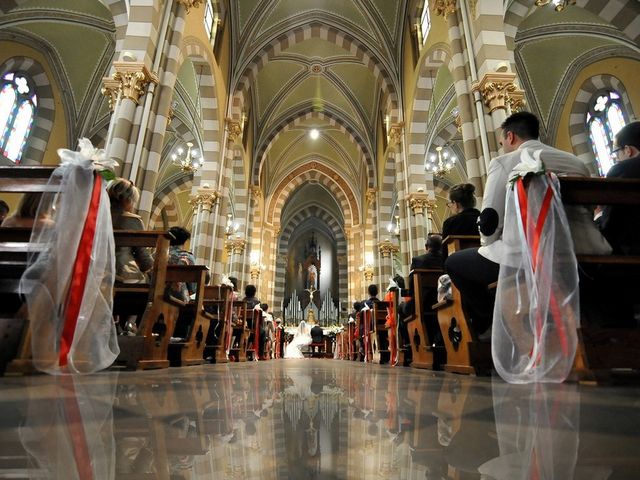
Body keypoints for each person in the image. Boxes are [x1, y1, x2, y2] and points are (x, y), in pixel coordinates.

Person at [446, 111, 611, 337]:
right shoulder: (576, 162)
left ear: (511, 136)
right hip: (583, 247)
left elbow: (489, 221)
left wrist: (490, 244)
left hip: (526, 253)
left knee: (454, 263)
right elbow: (590, 209)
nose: (504, 146)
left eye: (503, 141)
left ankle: (493, 324)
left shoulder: (505, 162)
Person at [599, 120, 640, 254]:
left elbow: (610, 225)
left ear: (628, 150)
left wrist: (600, 216)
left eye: (616, 153)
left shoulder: (621, 170)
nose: (617, 159)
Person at [108, 178, 153, 283]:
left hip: (92, 270)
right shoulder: (133, 220)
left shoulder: (95, 216)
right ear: (127, 200)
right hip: (121, 273)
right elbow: (143, 257)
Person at [167, 226, 197, 303]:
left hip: (153, 292)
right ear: (184, 241)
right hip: (178, 296)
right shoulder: (187, 257)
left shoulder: (157, 254)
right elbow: (192, 287)